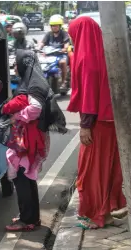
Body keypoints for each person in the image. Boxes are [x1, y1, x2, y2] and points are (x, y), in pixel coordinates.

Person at [67, 16, 126, 229]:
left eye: (73, 34)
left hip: (97, 123)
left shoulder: (86, 58)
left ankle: (95, 215)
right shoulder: (107, 54)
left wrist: (85, 125)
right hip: (113, 121)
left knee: (91, 171)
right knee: (109, 168)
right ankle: (108, 211)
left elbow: (90, 95)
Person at [2, 50, 66, 231]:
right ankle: (30, 218)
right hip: (31, 136)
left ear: (25, 65)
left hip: (27, 138)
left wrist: (17, 117)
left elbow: (35, 109)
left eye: (17, 64)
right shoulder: (33, 80)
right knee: (27, 177)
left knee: (22, 177)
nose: (15, 68)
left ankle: (27, 220)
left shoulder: (34, 85)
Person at [39, 15, 70, 90]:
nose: (54, 27)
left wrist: (64, 48)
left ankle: (63, 82)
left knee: (62, 62)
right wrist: (39, 48)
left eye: (55, 26)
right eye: (52, 26)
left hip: (60, 54)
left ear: (59, 26)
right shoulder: (48, 34)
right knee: (39, 63)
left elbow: (66, 44)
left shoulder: (64, 33)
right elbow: (42, 43)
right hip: (49, 55)